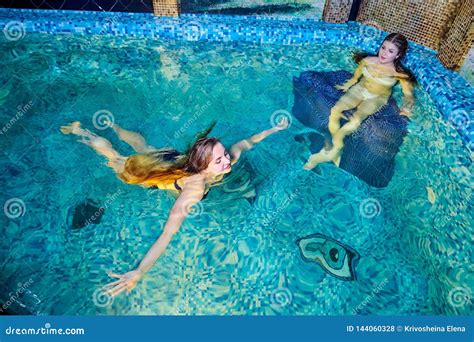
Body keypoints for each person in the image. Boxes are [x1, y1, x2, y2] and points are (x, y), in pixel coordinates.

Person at [60, 117, 289, 296]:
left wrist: (274, 129)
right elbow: (168, 233)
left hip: (171, 157)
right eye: (219, 160)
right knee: (117, 161)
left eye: (224, 155)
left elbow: (247, 142)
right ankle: (82, 132)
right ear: (203, 165)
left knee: (144, 146)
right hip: (160, 175)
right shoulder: (195, 189)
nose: (227, 161)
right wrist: (139, 271)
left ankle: (112, 124)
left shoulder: (222, 160)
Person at [303, 33, 415, 170]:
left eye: (390, 51)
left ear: (398, 55)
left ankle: (333, 150)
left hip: (377, 97)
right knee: (335, 110)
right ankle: (336, 147)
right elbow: (356, 77)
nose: (384, 53)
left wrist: (407, 108)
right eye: (383, 47)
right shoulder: (368, 60)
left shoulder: (399, 74)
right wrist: (349, 83)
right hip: (359, 90)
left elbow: (408, 95)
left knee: (356, 120)